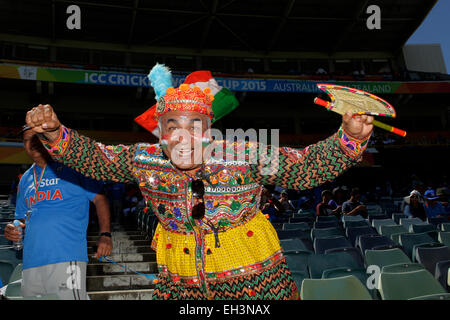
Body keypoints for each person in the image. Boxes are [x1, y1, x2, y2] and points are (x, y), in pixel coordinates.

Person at [25, 64, 373, 300]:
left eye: (194, 126)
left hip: (255, 281)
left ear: (209, 130)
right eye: (172, 126)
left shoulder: (243, 153)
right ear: (160, 132)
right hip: (180, 282)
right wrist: (57, 134)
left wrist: (349, 138)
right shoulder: (144, 159)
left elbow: (305, 167)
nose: (182, 136)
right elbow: (96, 158)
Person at [3, 126, 113, 300]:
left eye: (37, 137)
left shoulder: (72, 168)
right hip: (31, 262)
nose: (32, 143)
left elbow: (100, 199)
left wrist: (105, 234)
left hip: (66, 257)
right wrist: (13, 228)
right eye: (26, 140)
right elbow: (21, 218)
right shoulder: (25, 179)